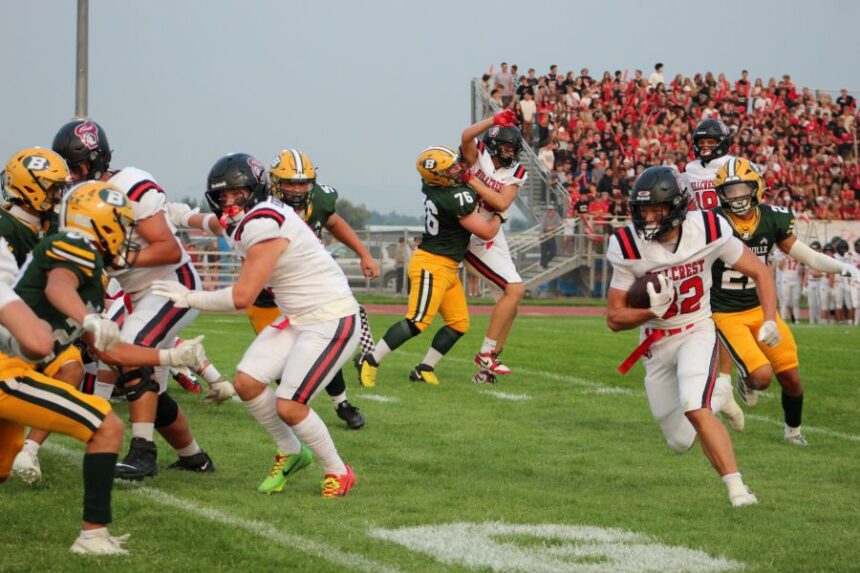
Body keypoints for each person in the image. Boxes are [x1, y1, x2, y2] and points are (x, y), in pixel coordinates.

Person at [154, 152, 358, 498]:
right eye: (223, 197)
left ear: (256, 191)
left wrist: (189, 297)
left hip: (330, 317)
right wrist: (183, 216)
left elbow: (242, 296)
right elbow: (220, 223)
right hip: (297, 318)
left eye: (238, 194)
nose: (230, 203)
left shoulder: (264, 222)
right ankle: (292, 452)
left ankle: (338, 471)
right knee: (247, 383)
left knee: (290, 405)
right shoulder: (250, 217)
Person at [51, 119, 229, 481]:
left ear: (94, 160)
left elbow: (166, 248)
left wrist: (119, 259)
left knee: (130, 351)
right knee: (152, 392)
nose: (69, 176)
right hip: (136, 295)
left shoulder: (128, 185)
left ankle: (143, 452)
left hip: (170, 286)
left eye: (74, 166)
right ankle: (195, 458)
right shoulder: (74, 199)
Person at [606, 165, 776, 507]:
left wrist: (769, 319)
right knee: (680, 441)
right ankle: (719, 398)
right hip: (656, 341)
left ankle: (738, 489)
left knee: (694, 407)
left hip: (697, 329)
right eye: (644, 210)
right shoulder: (626, 243)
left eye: (658, 209)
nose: (650, 217)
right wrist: (650, 312)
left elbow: (760, 270)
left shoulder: (709, 228)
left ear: (679, 207)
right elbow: (614, 317)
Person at [169, 149, 374, 431]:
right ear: (274, 182)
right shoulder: (256, 207)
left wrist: (364, 254)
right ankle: (292, 416)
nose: (298, 189)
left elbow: (335, 222)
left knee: (319, 348)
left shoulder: (305, 205)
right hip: (266, 295)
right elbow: (222, 223)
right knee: (278, 365)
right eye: (290, 183)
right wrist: (186, 217)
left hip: (309, 295)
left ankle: (340, 403)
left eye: (303, 183)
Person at [711, 158, 860, 444]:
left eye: (743, 189)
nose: (738, 197)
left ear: (757, 187)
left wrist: (845, 268)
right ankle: (747, 379)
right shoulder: (713, 222)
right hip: (726, 312)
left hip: (761, 307)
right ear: (721, 194)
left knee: (790, 377)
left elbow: (811, 257)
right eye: (730, 191)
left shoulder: (771, 219)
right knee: (762, 378)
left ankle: (793, 432)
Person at [355, 146, 501, 386]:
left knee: (458, 323)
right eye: (450, 168)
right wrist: (499, 214)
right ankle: (370, 360)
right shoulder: (452, 197)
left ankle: (424, 368)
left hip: (447, 265)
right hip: (432, 264)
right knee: (417, 320)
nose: (457, 169)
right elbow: (486, 231)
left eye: (455, 164)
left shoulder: (436, 186)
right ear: (438, 176)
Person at [456, 109, 528, 384]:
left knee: (511, 302)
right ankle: (485, 353)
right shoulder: (479, 153)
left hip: (492, 232)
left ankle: (486, 370)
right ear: (495, 143)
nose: (510, 151)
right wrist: (493, 121)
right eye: (507, 145)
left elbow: (501, 203)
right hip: (472, 234)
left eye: (514, 147)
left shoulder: (515, 171)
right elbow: (466, 136)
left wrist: (471, 179)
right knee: (515, 289)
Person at [683, 119, 735, 211]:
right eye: (701, 142)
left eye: (710, 142)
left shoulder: (734, 165)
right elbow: (689, 202)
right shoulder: (690, 169)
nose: (705, 146)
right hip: (701, 222)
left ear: (722, 142)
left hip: (729, 219)